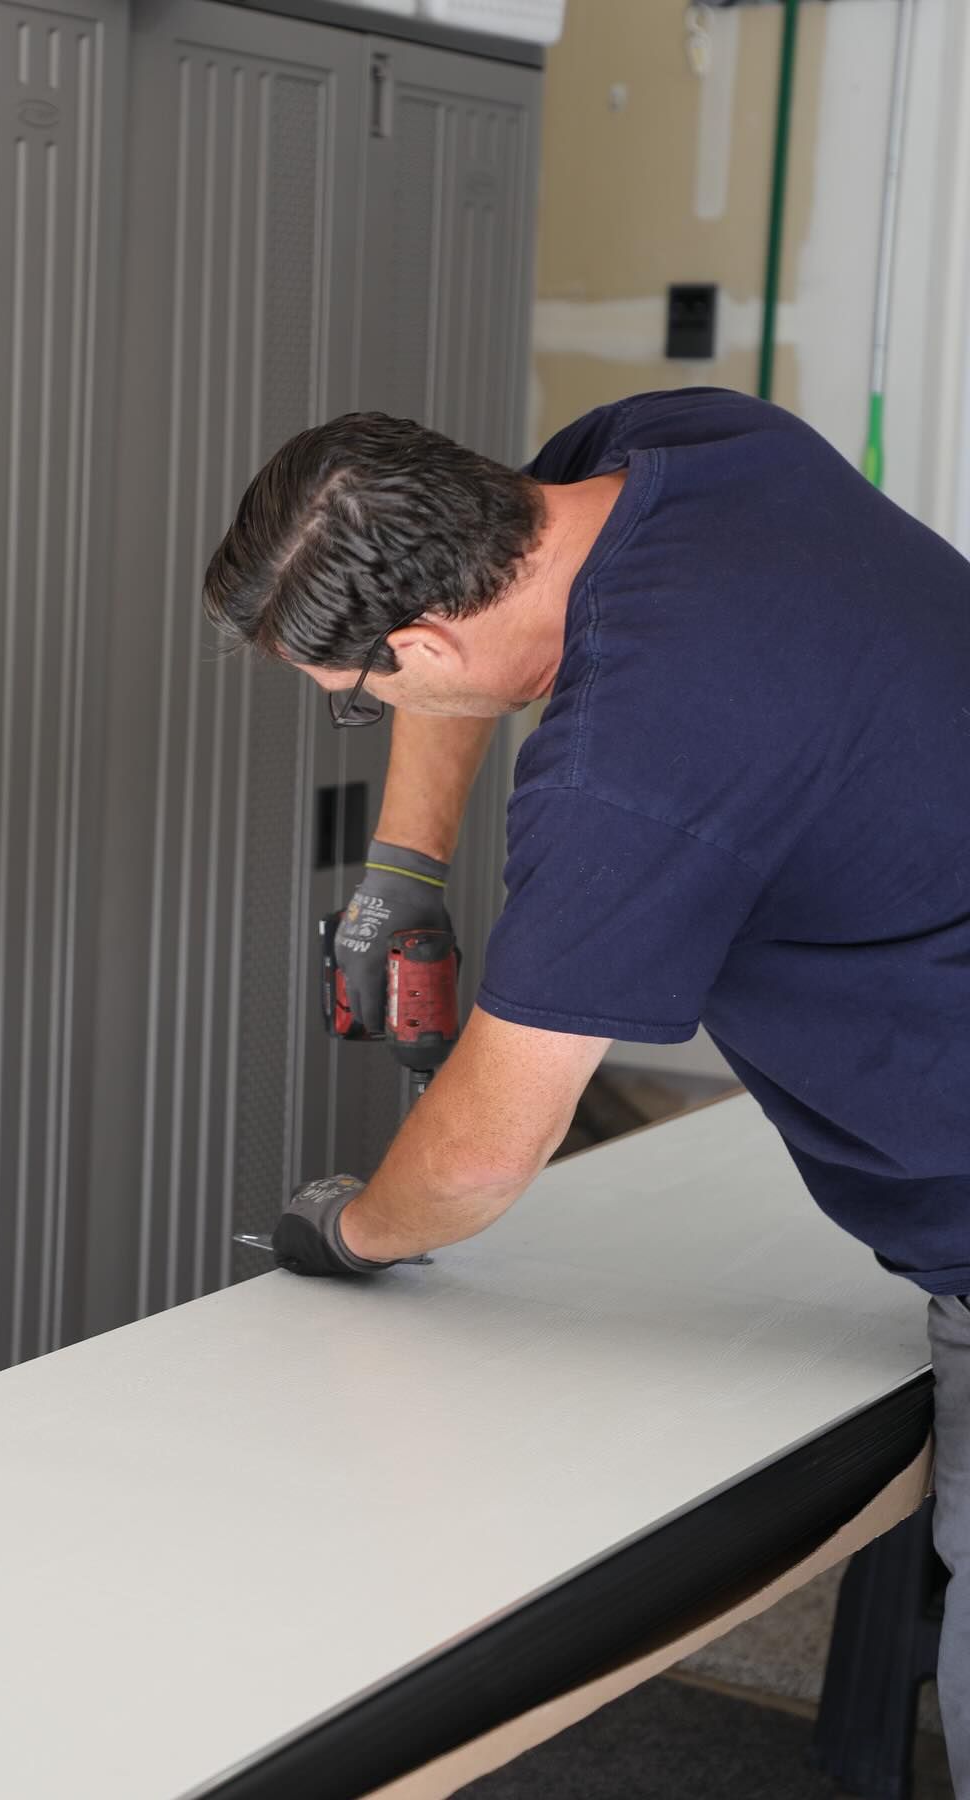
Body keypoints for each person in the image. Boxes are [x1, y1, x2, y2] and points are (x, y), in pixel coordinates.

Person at [201, 391, 969, 1792]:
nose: (370, 716)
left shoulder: (630, 773)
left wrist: (357, 1229)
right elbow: (487, 647)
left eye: (359, 699)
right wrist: (406, 872)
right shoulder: (694, 447)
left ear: (421, 645)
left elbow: (489, 1155)